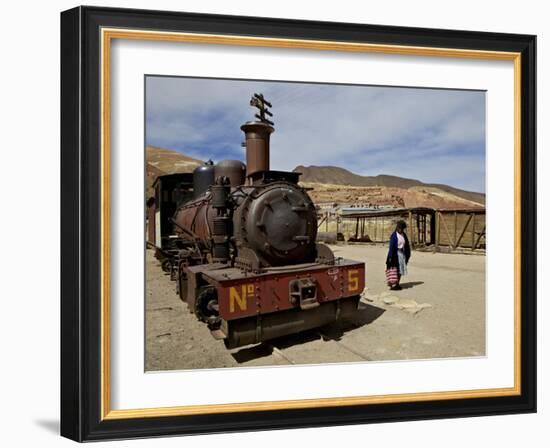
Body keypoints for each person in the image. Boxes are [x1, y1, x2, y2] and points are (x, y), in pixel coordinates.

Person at [386, 220, 411, 290]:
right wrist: (390, 257)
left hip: (402, 254)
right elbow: (391, 247)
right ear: (397, 228)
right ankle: (392, 284)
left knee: (400, 270)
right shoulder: (394, 235)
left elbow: (407, 245)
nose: (400, 230)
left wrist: (408, 254)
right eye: (399, 228)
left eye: (401, 229)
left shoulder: (404, 235)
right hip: (395, 255)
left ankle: (397, 284)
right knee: (394, 269)